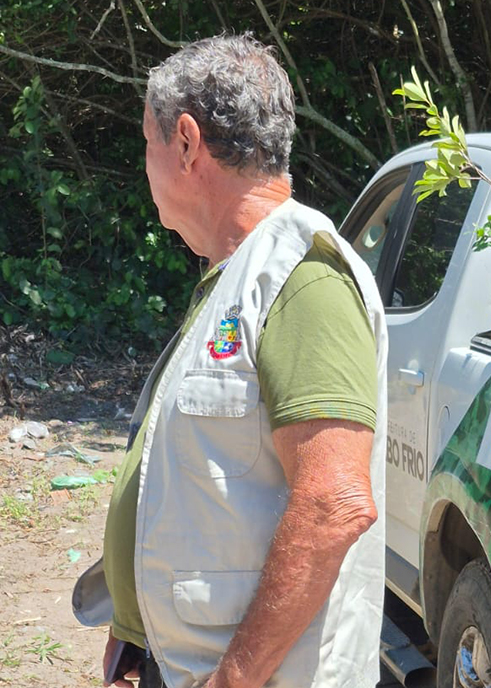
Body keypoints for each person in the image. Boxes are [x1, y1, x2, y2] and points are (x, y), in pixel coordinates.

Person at [72, 34, 387, 688]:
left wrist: (234, 678)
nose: (144, 164)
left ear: (187, 143)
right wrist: (137, 632)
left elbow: (334, 503)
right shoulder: (236, 277)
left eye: (148, 142)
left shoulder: (302, 278)